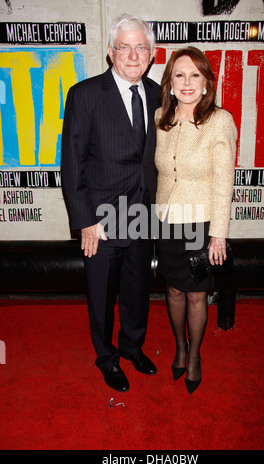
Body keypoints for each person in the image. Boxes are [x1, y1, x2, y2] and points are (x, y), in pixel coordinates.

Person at [61, 14, 161, 392]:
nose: (133, 55)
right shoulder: (85, 94)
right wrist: (85, 220)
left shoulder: (157, 94)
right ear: (110, 52)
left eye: (141, 47)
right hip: (101, 218)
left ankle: (132, 346)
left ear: (151, 54)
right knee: (102, 292)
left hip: (143, 212)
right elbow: (72, 163)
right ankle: (107, 358)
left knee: (137, 287)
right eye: (125, 47)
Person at [154, 47, 237, 394]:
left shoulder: (220, 121)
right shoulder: (161, 117)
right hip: (167, 222)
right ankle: (180, 346)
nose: (187, 82)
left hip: (201, 226)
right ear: (170, 83)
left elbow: (223, 183)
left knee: (197, 296)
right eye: (179, 75)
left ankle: (195, 356)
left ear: (206, 83)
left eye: (195, 75)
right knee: (173, 290)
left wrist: (218, 235)